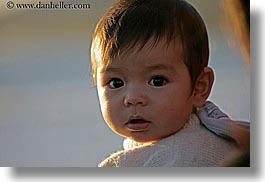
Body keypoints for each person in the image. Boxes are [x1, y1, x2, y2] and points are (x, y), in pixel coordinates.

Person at [90, 0, 250, 167]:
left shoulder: (184, 159)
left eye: (157, 81)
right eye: (116, 83)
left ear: (199, 87)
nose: (133, 98)